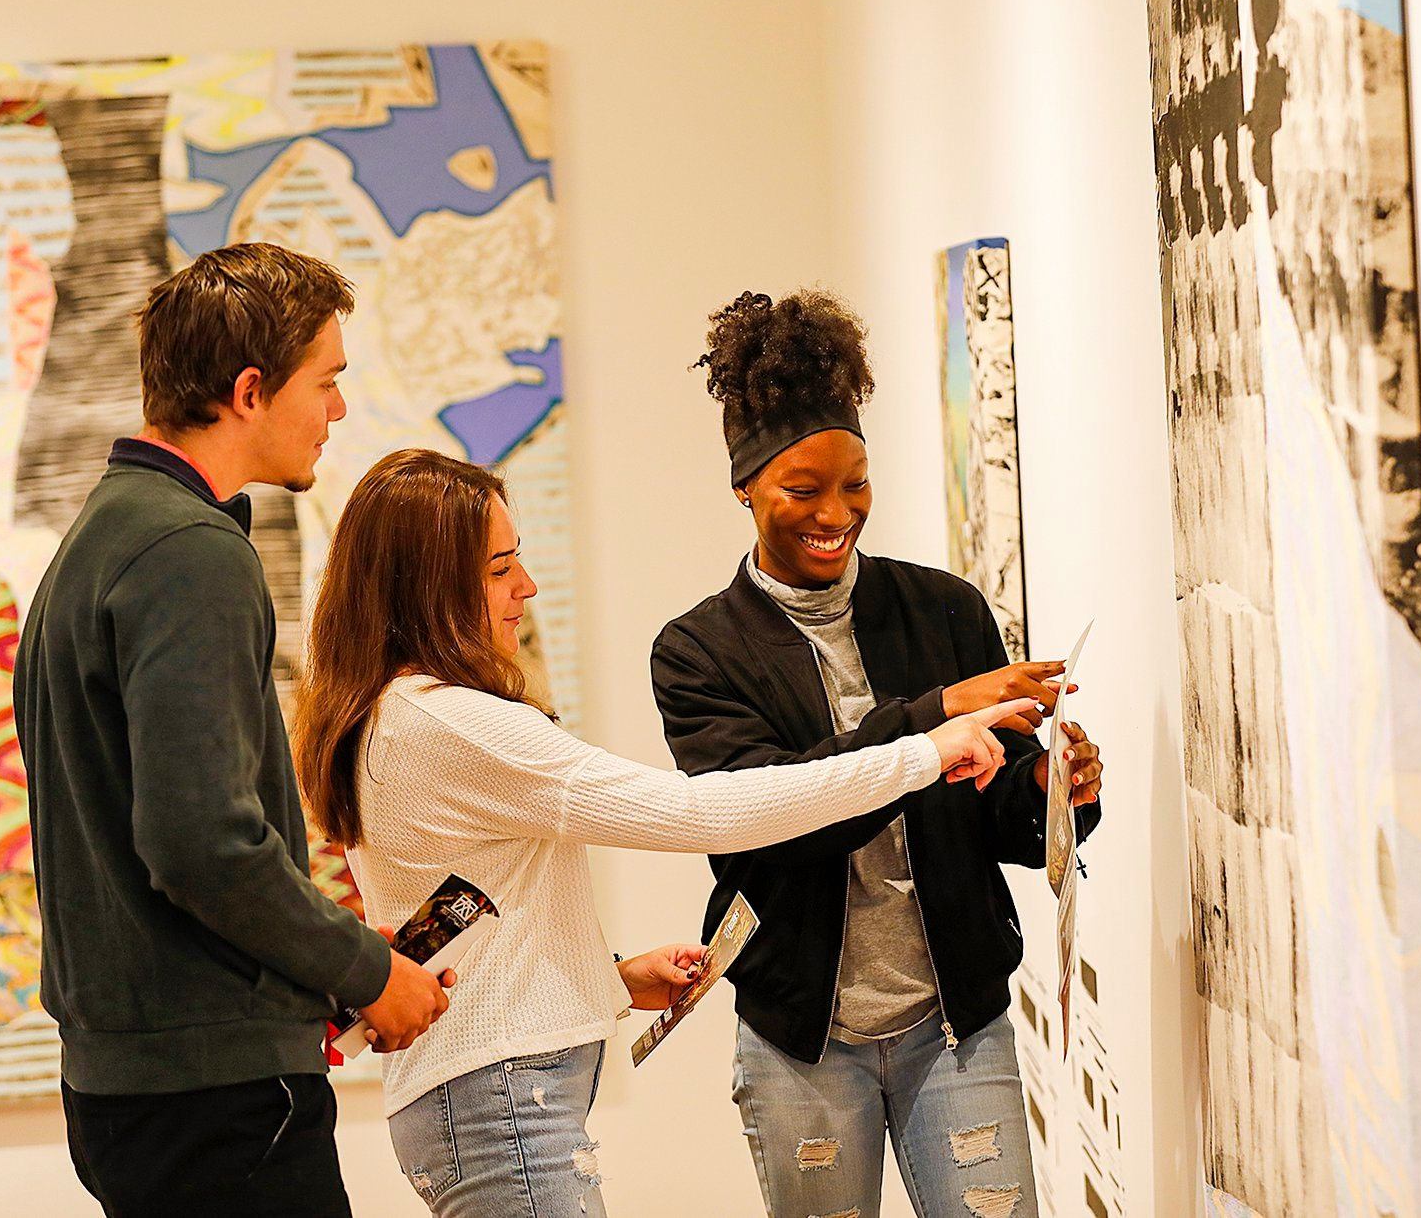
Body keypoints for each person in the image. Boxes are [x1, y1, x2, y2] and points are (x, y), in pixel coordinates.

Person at [290, 448, 1031, 1217]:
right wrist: (922, 748)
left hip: (483, 1099)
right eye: (501, 566)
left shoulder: (394, 715)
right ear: (430, 587)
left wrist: (606, 975)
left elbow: (459, 909)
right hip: (501, 1105)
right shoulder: (457, 724)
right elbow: (701, 811)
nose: (527, 587)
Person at [12, 244, 453, 1218]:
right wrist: (365, 969)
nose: (337, 409)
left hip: (146, 1086)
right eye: (327, 381)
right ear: (251, 390)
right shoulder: (189, 552)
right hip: (214, 1102)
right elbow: (202, 845)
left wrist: (322, 965)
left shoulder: (104, 540)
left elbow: (165, 842)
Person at [651, 290, 1107, 1218]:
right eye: (803, 489)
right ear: (744, 487)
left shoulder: (943, 610)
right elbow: (767, 823)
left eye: (854, 482)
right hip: (802, 1045)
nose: (837, 512)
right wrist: (933, 720)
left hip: (955, 1029)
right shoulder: (698, 651)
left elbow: (1001, 818)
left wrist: (1062, 792)